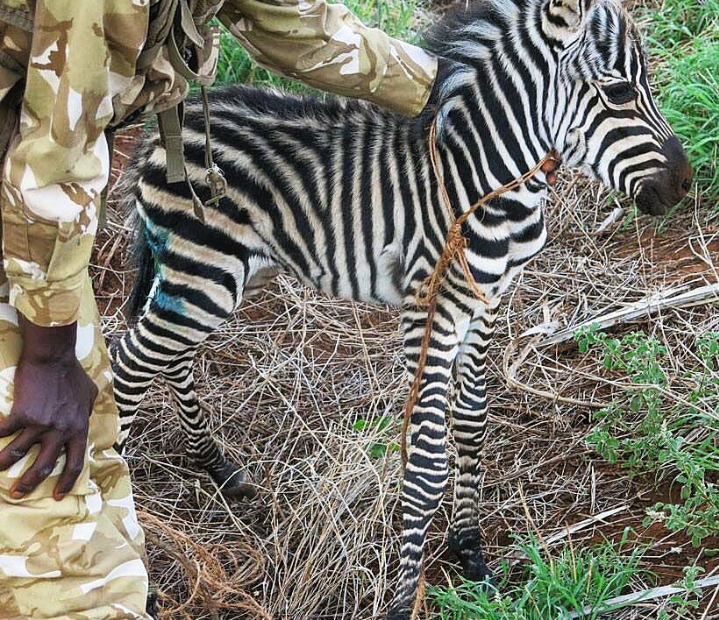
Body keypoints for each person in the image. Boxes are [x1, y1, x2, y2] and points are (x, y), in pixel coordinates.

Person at [0, 1, 437, 618]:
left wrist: (451, 84)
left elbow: (298, 24)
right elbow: (54, 154)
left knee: (91, 431)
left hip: (35, 181)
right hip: (25, 183)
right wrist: (45, 352)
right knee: (45, 489)